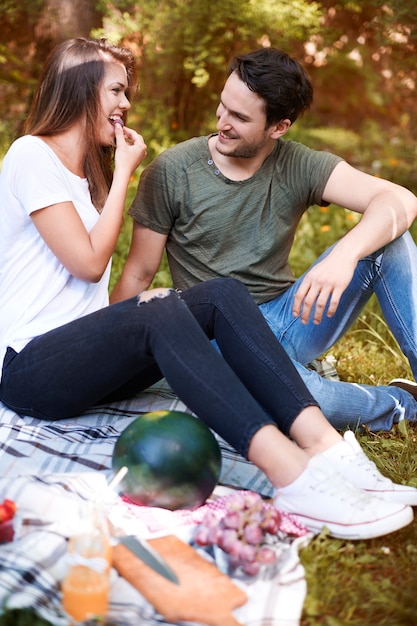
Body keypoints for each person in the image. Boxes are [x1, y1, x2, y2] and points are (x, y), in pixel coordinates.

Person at [0, 38, 415, 544]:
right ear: (81, 88)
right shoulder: (28, 153)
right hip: (29, 367)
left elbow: (96, 289)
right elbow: (90, 265)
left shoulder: (86, 175)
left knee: (220, 293)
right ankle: (295, 478)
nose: (126, 103)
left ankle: (328, 452)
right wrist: (130, 172)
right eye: (116, 90)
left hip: (84, 359)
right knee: (161, 308)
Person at [112, 47, 417, 433]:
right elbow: (138, 273)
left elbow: (401, 200)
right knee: (303, 401)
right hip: (220, 337)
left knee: (390, 241)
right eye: (222, 107)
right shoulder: (173, 170)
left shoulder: (297, 163)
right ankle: (403, 404)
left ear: (279, 127)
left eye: (239, 117)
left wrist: (345, 254)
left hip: (293, 316)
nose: (222, 122)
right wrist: (105, 355)